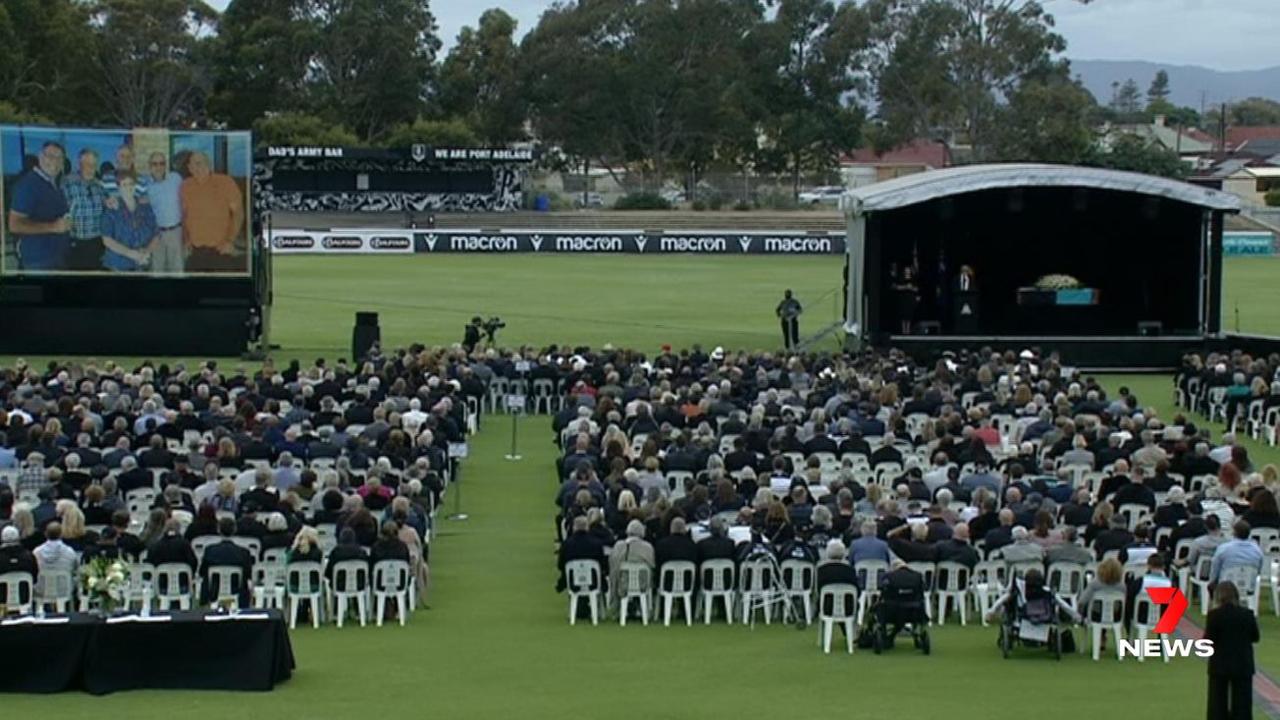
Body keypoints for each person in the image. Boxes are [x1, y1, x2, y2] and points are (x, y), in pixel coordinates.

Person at [7, 141, 71, 271]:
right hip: (39, 261)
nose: (54, 161)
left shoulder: (53, 183)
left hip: (56, 257)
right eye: (50, 156)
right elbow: (14, 225)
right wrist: (53, 227)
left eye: (59, 158)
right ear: (40, 157)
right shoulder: (28, 185)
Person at [181, 151, 245, 272]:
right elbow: (184, 216)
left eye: (200, 163)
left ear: (209, 164)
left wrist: (230, 240)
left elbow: (238, 213)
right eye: (192, 165)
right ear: (189, 168)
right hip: (196, 252)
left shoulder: (225, 182)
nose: (196, 167)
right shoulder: (185, 186)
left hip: (220, 250)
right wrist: (186, 240)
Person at [1204, 581, 1258, 720]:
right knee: (1243, 701)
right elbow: (1255, 637)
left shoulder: (1214, 615)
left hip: (1220, 663)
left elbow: (1208, 639)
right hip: (1243, 662)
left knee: (1217, 701)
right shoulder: (1247, 614)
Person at [101, 171, 158, 272]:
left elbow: (156, 234)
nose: (128, 187)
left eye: (131, 183)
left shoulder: (145, 207)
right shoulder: (112, 209)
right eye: (124, 184)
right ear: (119, 188)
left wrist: (147, 251)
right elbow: (107, 240)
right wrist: (131, 254)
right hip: (119, 265)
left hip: (142, 264)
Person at [61, 148, 107, 271]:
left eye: (94, 164)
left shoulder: (100, 186)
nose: (91, 168)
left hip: (98, 243)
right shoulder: (67, 183)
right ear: (80, 164)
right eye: (87, 164)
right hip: (76, 244)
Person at [198, 517, 254, 607]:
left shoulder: (210, 550)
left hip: (214, 590)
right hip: (236, 590)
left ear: (218, 530)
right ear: (234, 530)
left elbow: (202, 572)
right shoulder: (243, 552)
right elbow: (248, 574)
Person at [145, 151, 185, 274]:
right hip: (155, 234)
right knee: (157, 270)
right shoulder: (145, 184)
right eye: (155, 164)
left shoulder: (176, 178)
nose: (158, 167)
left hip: (175, 232)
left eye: (162, 163)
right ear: (149, 166)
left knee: (177, 270)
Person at [608, 519, 655, 607]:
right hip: (643, 584)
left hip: (622, 584)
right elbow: (652, 565)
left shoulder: (618, 546)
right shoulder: (648, 547)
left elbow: (612, 566)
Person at [1209, 520, 1265, 587]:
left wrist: (1212, 582)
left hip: (1226, 588)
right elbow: (1258, 571)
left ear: (1234, 532)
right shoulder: (1257, 551)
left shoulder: (1223, 549)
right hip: (1250, 587)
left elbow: (1215, 570)